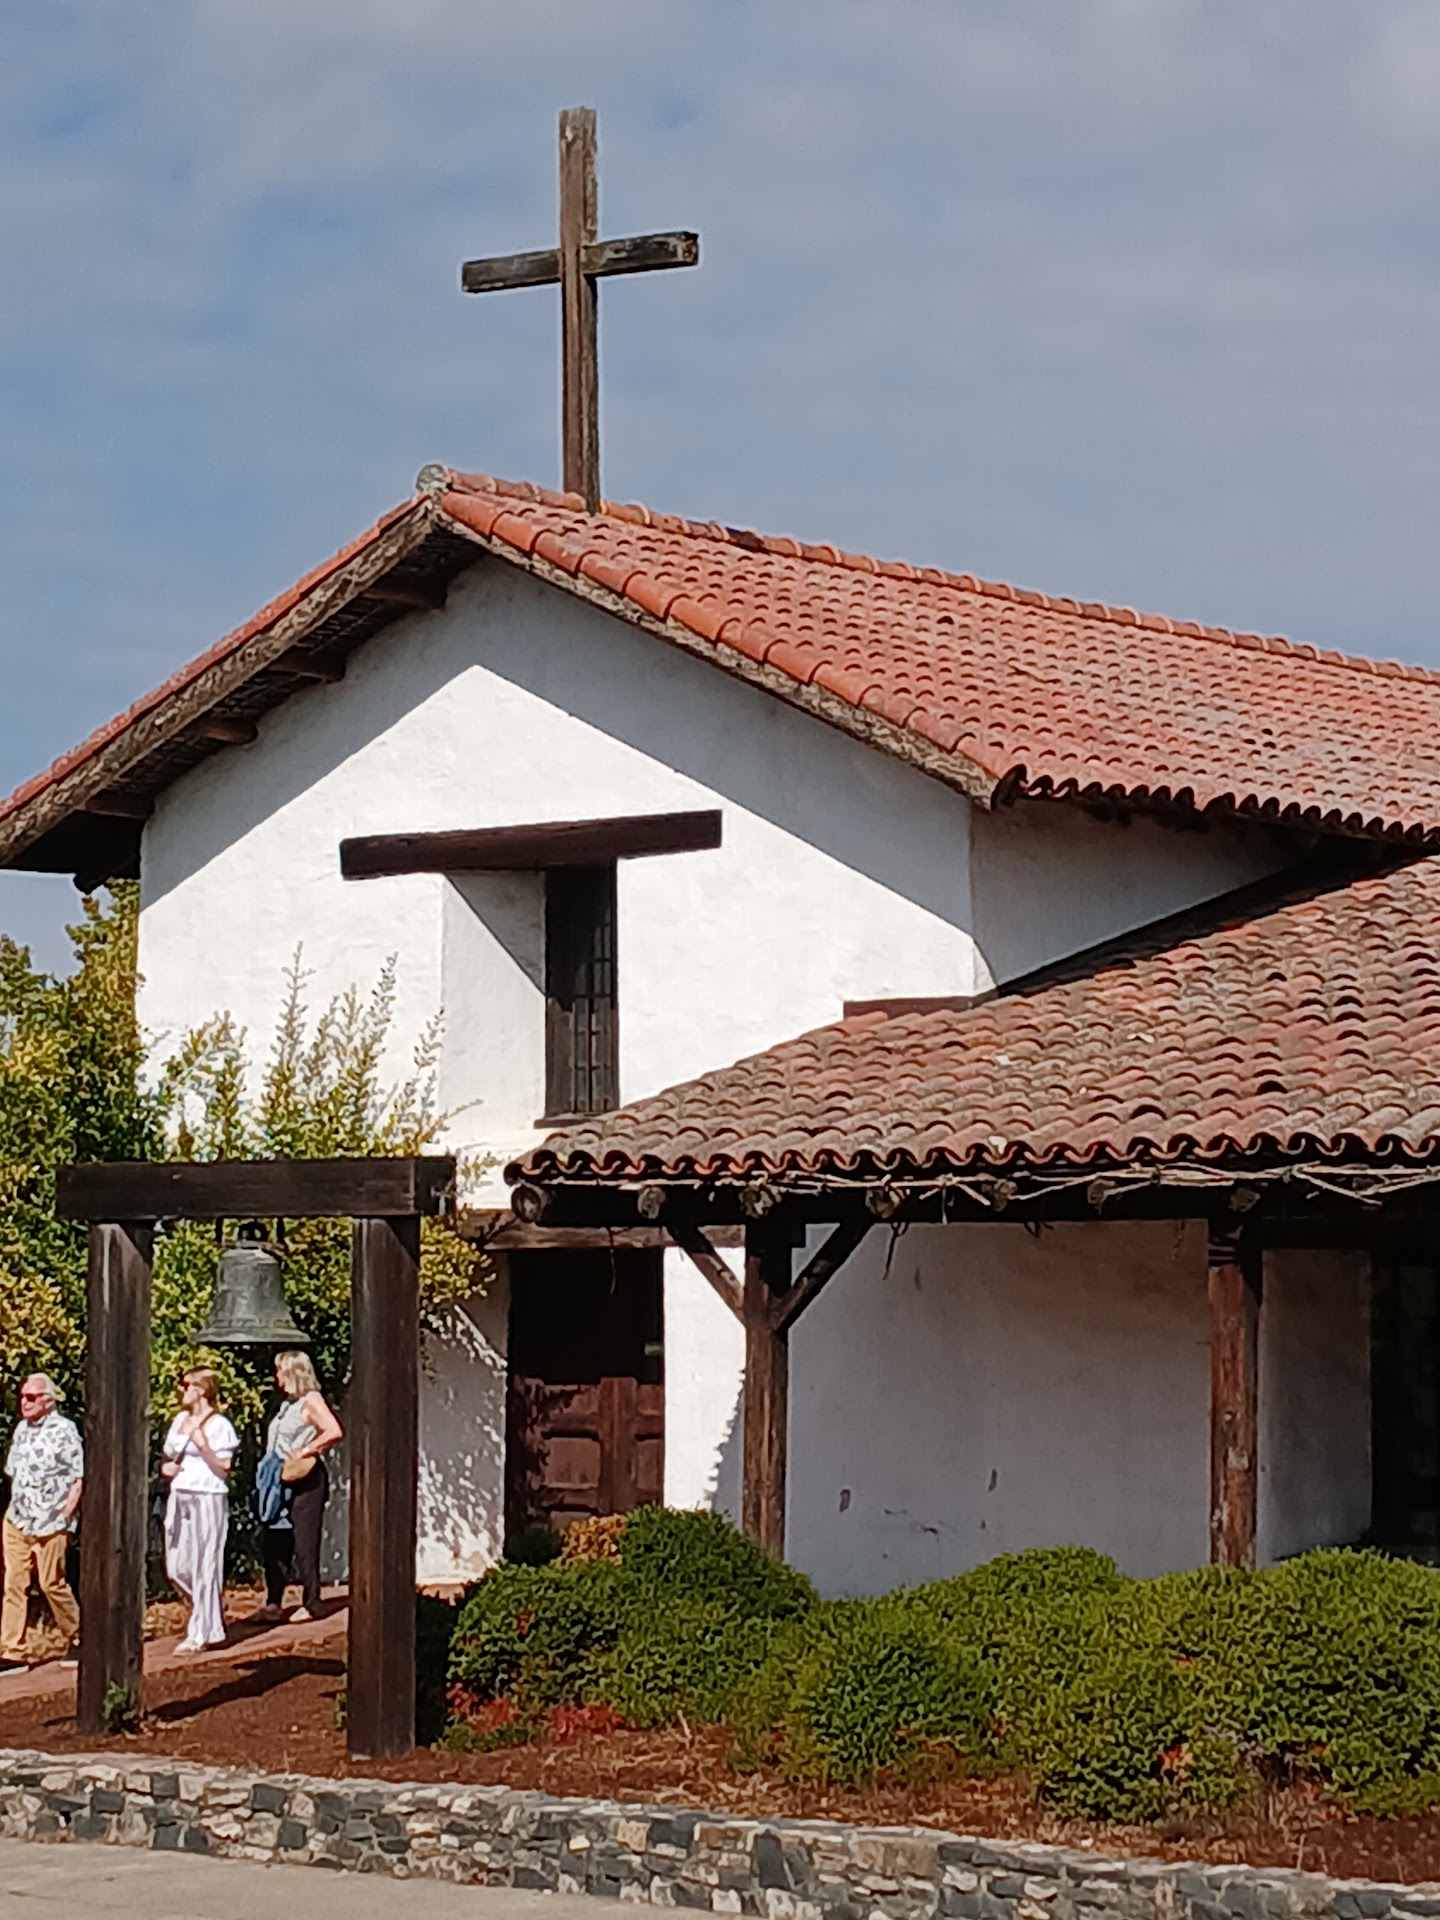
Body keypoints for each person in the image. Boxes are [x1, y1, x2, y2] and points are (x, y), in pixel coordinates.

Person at [0, 1375, 83, 1671]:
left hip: (51, 1521)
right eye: (22, 1396)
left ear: (48, 1400)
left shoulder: (65, 1431)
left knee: (51, 1583)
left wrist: (66, 1514)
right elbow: (14, 1472)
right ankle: (12, 1651)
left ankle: (78, 1636)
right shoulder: (22, 1430)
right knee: (14, 1583)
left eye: (32, 1397)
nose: (24, 1402)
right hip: (19, 1519)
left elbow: (78, 1477)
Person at [257, 1350, 342, 1623]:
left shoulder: (311, 1400)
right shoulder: (287, 1405)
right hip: (280, 1478)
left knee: (305, 1540)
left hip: (305, 1478)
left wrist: (307, 1449)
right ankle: (273, 1603)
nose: (277, 1376)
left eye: (280, 1371)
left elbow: (333, 1430)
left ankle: (312, 1601)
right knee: (275, 1538)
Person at [160, 1367, 238, 1652]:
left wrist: (203, 1445)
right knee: (177, 1566)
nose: (182, 1390)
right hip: (180, 1492)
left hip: (208, 1494)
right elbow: (170, 1456)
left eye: (186, 1385)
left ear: (202, 1389)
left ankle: (200, 1633)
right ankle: (209, 1610)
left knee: (205, 1562)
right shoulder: (180, 1420)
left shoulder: (220, 1425)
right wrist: (166, 1469)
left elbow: (224, 1467)